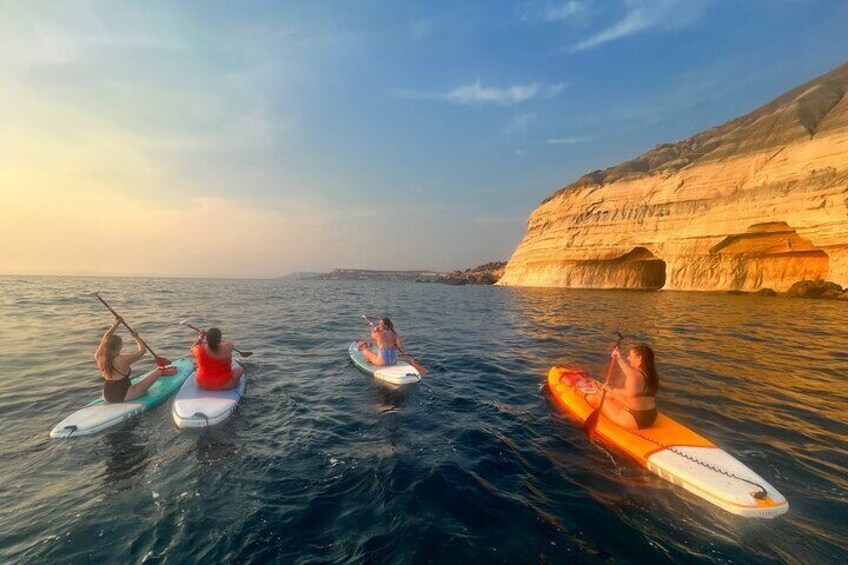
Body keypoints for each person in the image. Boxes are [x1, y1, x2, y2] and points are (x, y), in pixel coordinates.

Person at [94, 316, 174, 403]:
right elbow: (142, 351)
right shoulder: (122, 359)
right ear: (119, 346)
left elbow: (106, 337)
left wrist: (116, 324)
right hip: (125, 395)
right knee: (159, 371)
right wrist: (136, 338)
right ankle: (164, 372)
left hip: (107, 395)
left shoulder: (98, 356)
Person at [587, 345, 659, 430]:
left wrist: (611, 389)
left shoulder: (634, 375)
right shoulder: (652, 375)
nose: (628, 358)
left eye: (630, 356)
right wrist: (619, 359)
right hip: (651, 417)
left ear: (639, 358)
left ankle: (597, 392)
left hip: (634, 419)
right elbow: (631, 376)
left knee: (596, 399)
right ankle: (601, 391)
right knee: (614, 395)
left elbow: (629, 393)